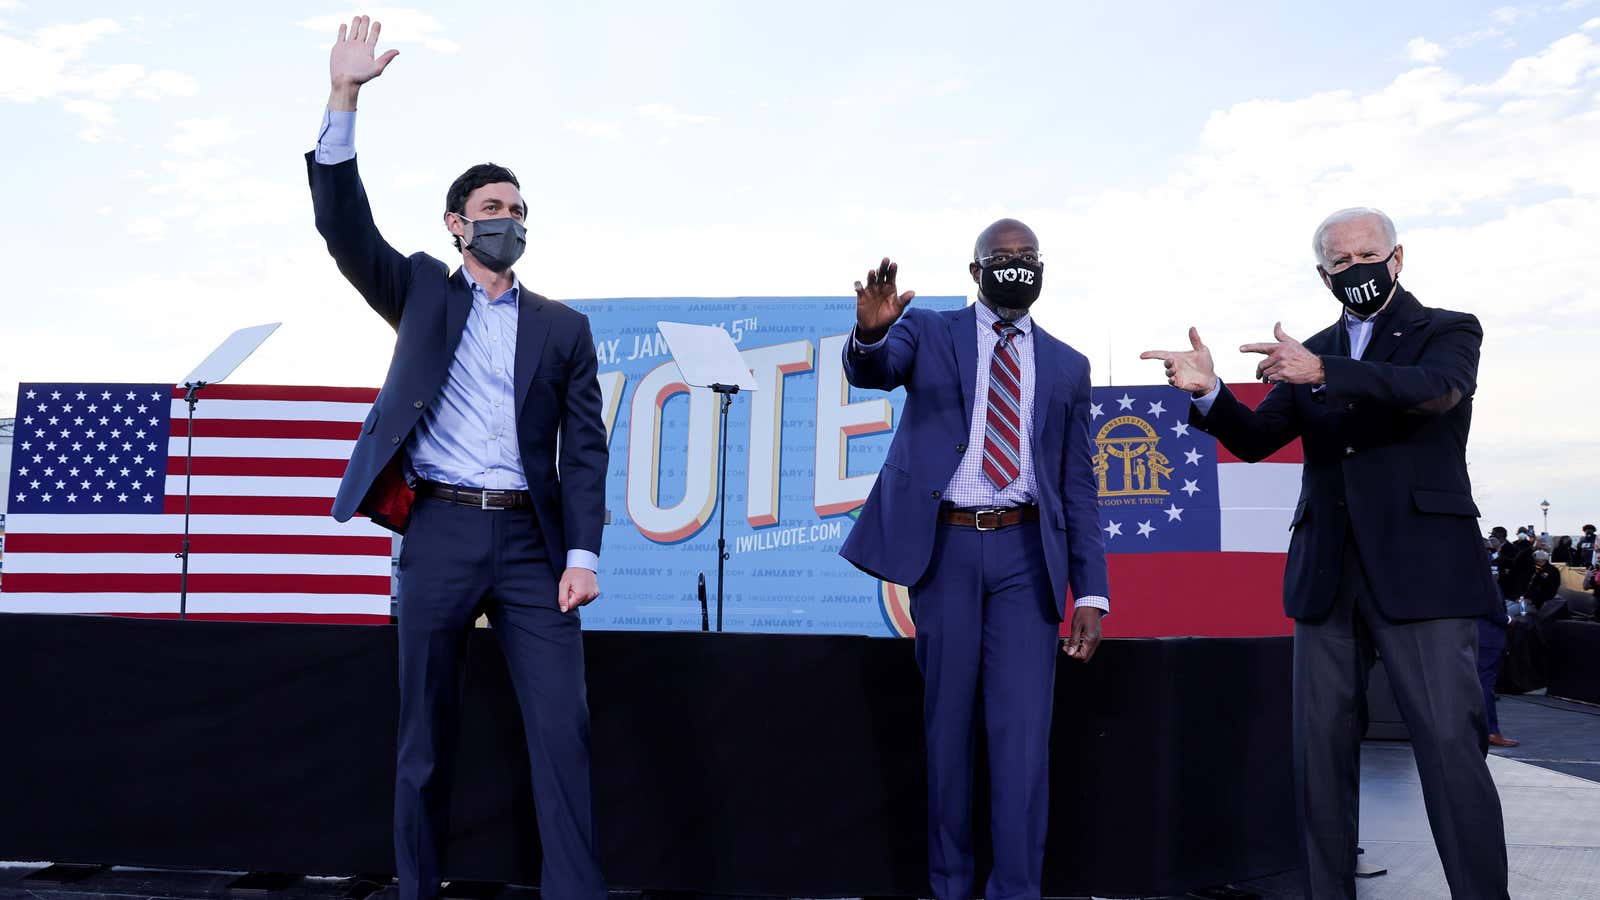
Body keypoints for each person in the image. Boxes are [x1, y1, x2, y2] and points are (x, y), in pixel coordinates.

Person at [305, 17, 609, 900]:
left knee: (566, 732)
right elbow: (341, 225)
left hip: (532, 550)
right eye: (491, 211)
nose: (507, 222)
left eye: (517, 211)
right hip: (436, 531)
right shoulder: (418, 293)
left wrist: (583, 554)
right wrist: (344, 97)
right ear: (456, 225)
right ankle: (416, 890)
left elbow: (584, 447)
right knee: (424, 739)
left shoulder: (565, 328)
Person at [1141, 207, 1509, 899]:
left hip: (1424, 575)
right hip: (1326, 576)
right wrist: (1211, 393)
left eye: (1369, 253)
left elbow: (1435, 392)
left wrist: (1325, 371)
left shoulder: (1448, 330)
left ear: (1398, 258)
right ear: (1324, 274)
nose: (1358, 268)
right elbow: (1254, 440)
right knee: (1320, 758)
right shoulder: (1306, 350)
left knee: (1451, 753)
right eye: (1341, 261)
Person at [839, 220, 1110, 900]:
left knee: (1021, 746)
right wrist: (870, 333)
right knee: (948, 737)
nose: (1016, 267)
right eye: (1003, 259)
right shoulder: (929, 331)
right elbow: (875, 369)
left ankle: (1015, 891)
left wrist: (1092, 593)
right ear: (975, 271)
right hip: (948, 551)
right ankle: (950, 886)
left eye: (1028, 258)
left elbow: (1078, 486)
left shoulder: (1070, 366)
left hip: (1026, 557)